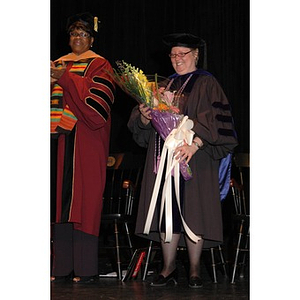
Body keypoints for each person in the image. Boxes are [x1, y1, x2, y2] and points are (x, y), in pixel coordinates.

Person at [127, 33, 238, 288]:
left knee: (194, 211)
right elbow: (141, 131)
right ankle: (168, 268)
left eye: (182, 54)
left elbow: (218, 123)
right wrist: (145, 116)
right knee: (168, 212)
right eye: (173, 55)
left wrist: (195, 144)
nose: (177, 59)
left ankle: (195, 270)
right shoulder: (163, 85)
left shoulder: (207, 83)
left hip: (194, 159)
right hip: (163, 160)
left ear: (195, 55)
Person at [50, 12, 115, 283]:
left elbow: (96, 106)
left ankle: (86, 269)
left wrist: (64, 79)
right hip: (56, 140)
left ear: (92, 38)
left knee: (84, 200)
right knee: (57, 203)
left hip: (86, 139)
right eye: (74, 33)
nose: (78, 38)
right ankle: (60, 267)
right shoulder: (55, 64)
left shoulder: (101, 65)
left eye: (84, 34)